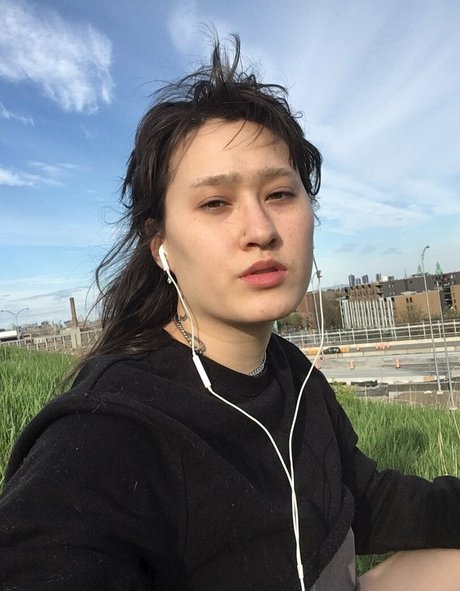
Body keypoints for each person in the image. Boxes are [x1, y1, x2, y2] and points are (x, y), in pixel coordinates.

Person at [0, 36, 459, 591]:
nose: (261, 230)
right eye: (215, 203)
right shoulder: (108, 432)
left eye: (280, 194)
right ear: (161, 246)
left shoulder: (294, 375)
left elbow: (361, 497)